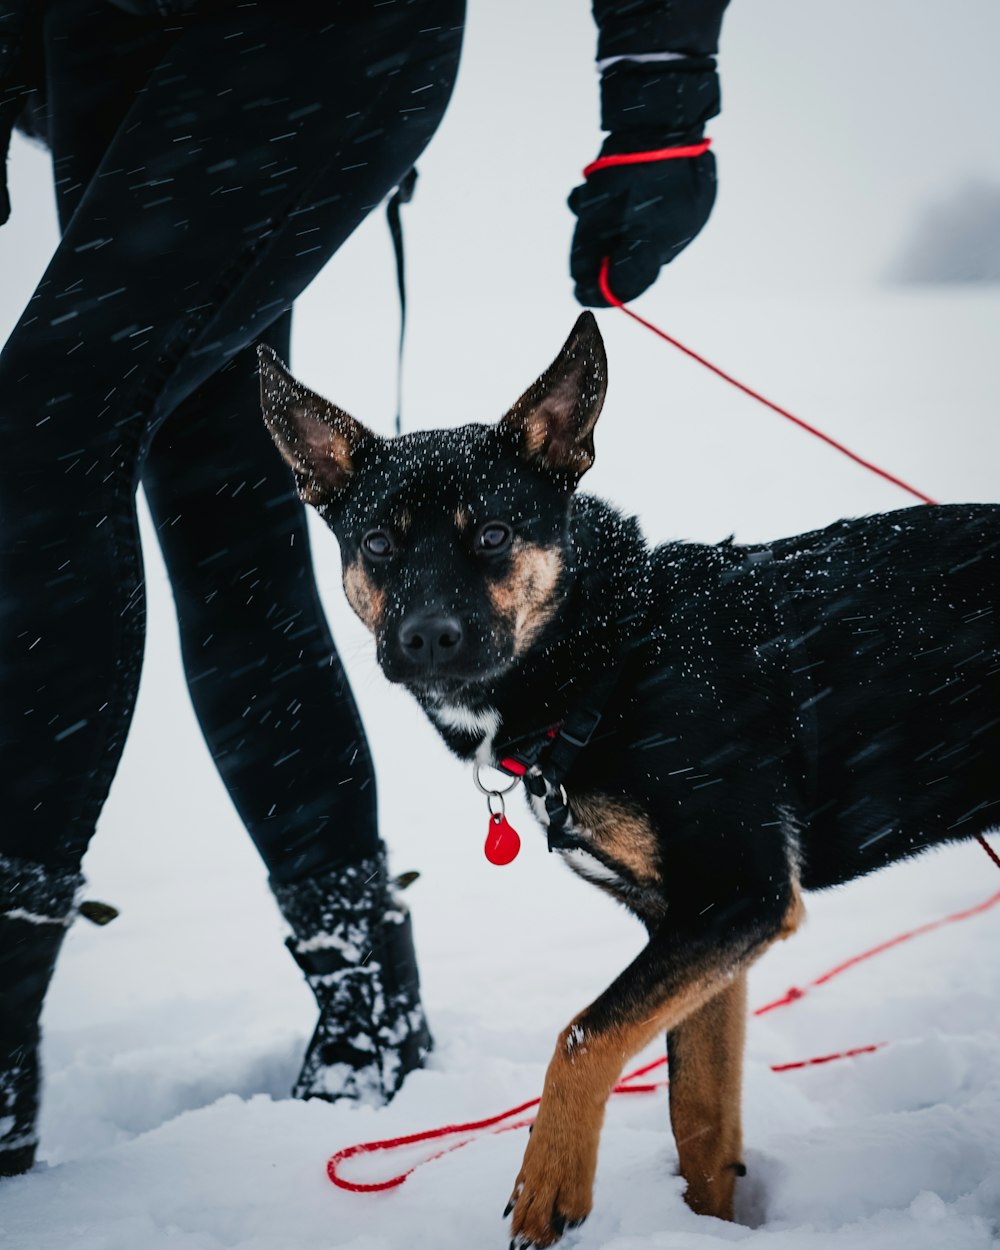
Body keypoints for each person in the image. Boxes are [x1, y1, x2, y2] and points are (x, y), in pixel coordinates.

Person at [0, 0, 728, 1177]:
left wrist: (659, 87)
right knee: (220, 497)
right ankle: (364, 983)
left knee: (46, 422)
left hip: (319, 30)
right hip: (98, 43)